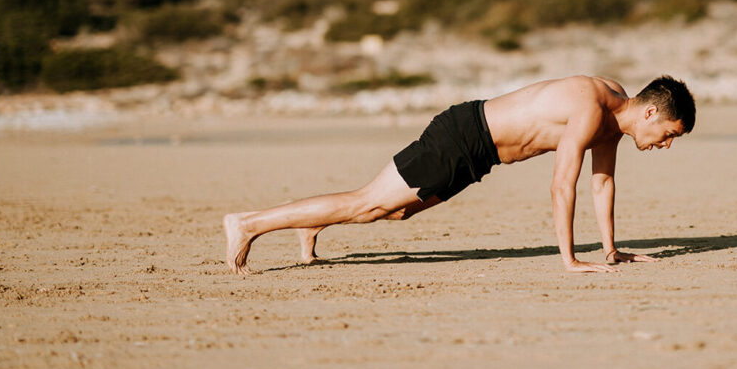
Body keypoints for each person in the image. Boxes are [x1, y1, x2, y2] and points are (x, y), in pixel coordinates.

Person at [223, 74, 695, 275]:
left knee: (393, 213)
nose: (667, 145)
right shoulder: (593, 107)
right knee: (370, 202)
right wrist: (570, 259)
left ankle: (312, 220)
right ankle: (248, 224)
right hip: (464, 134)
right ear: (651, 112)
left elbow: (602, 182)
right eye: (670, 133)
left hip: (481, 153)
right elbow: (561, 184)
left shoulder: (614, 117)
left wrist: (610, 251)